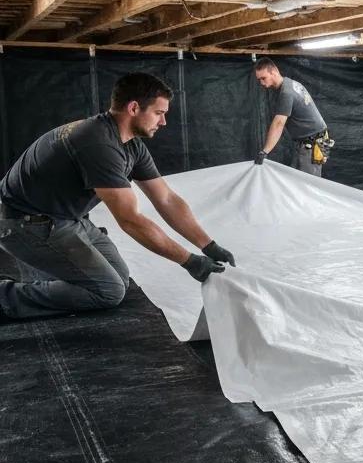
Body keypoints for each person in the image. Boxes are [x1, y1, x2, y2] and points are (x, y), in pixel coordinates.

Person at [0, 72, 234, 322]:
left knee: (119, 279)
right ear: (134, 107)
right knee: (107, 291)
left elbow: (166, 198)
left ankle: (50, 273)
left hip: (65, 219)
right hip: (23, 223)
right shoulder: (97, 143)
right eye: (159, 112)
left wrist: (207, 245)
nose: (164, 121)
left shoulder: (130, 144)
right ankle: (5, 297)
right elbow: (130, 220)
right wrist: (189, 262)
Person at [253, 57, 332, 176]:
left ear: (274, 72)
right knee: (298, 178)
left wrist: (265, 151)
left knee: (308, 183)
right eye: (259, 80)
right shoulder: (290, 83)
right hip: (316, 139)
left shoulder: (286, 92)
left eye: (263, 78)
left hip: (313, 142)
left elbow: (279, 123)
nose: (262, 83)